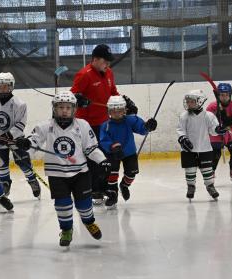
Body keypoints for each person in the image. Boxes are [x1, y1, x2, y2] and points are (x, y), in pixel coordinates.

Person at [15, 91, 111, 247]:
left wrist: (103, 161)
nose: (64, 110)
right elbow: (33, 142)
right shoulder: (45, 126)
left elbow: (91, 148)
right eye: (61, 107)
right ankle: (66, 230)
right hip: (56, 174)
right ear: (54, 108)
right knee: (63, 205)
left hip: (81, 173)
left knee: (84, 205)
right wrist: (25, 145)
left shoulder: (83, 125)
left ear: (74, 109)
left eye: (68, 107)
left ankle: (89, 222)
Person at [70, 44, 138, 204]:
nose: (107, 64)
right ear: (94, 59)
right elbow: (72, 96)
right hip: (88, 125)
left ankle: (104, 188)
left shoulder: (108, 73)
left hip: (105, 123)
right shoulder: (84, 75)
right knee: (92, 159)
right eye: (104, 61)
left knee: (107, 158)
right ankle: (93, 190)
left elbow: (113, 92)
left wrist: (123, 103)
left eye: (108, 61)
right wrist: (79, 99)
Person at [0, 72, 41, 198]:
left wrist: (9, 136)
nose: (3, 88)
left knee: (22, 161)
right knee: (0, 162)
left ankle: (32, 179)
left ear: (11, 87)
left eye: (6, 86)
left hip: (16, 139)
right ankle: (5, 182)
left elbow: (21, 123)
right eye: (0, 86)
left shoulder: (20, 104)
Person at [99, 95, 157, 208]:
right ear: (109, 111)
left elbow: (141, 128)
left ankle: (124, 185)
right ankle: (112, 194)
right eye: (113, 110)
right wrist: (112, 147)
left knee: (131, 173)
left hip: (129, 153)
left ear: (125, 110)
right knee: (112, 173)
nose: (116, 113)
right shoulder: (105, 125)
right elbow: (103, 140)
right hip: (113, 153)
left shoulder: (130, 120)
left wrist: (147, 126)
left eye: (119, 110)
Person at [176, 89, 226, 201]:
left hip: (205, 148)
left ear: (200, 101)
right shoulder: (184, 116)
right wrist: (183, 139)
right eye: (187, 101)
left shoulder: (208, 116)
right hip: (188, 150)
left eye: (191, 101)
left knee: (207, 169)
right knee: (190, 170)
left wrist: (218, 129)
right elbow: (180, 130)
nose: (189, 103)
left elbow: (213, 130)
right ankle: (191, 187)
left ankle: (210, 186)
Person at [206, 83, 232, 184]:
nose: (224, 97)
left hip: (230, 132)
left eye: (226, 94)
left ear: (230, 95)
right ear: (218, 95)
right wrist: (216, 124)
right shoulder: (212, 106)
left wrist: (231, 121)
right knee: (216, 153)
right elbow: (207, 121)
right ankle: (211, 171)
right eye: (222, 95)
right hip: (216, 134)